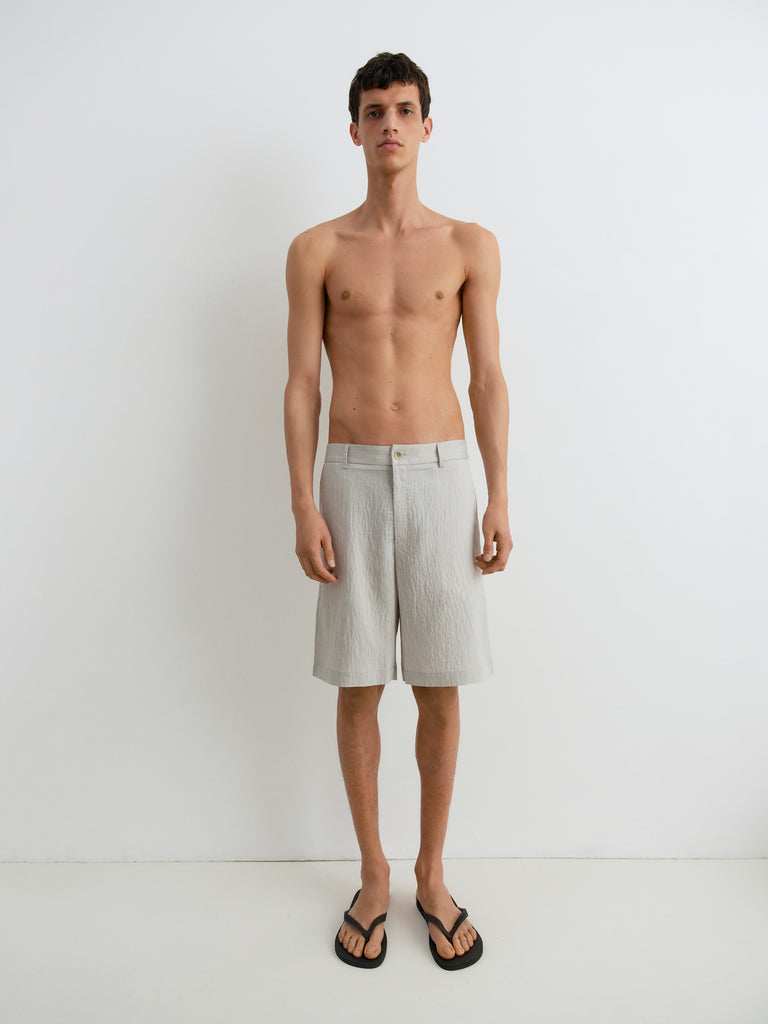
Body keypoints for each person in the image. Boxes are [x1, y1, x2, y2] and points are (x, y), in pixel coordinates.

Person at [283, 51, 512, 971]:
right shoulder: (317, 249)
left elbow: (487, 377)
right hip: (348, 476)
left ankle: (431, 872)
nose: (389, 123)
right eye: (374, 110)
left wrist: (500, 492)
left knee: (440, 686)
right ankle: (373, 875)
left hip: (442, 475)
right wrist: (303, 500)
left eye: (404, 109)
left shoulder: (467, 245)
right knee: (358, 683)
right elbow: (302, 384)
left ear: (426, 126)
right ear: (354, 129)